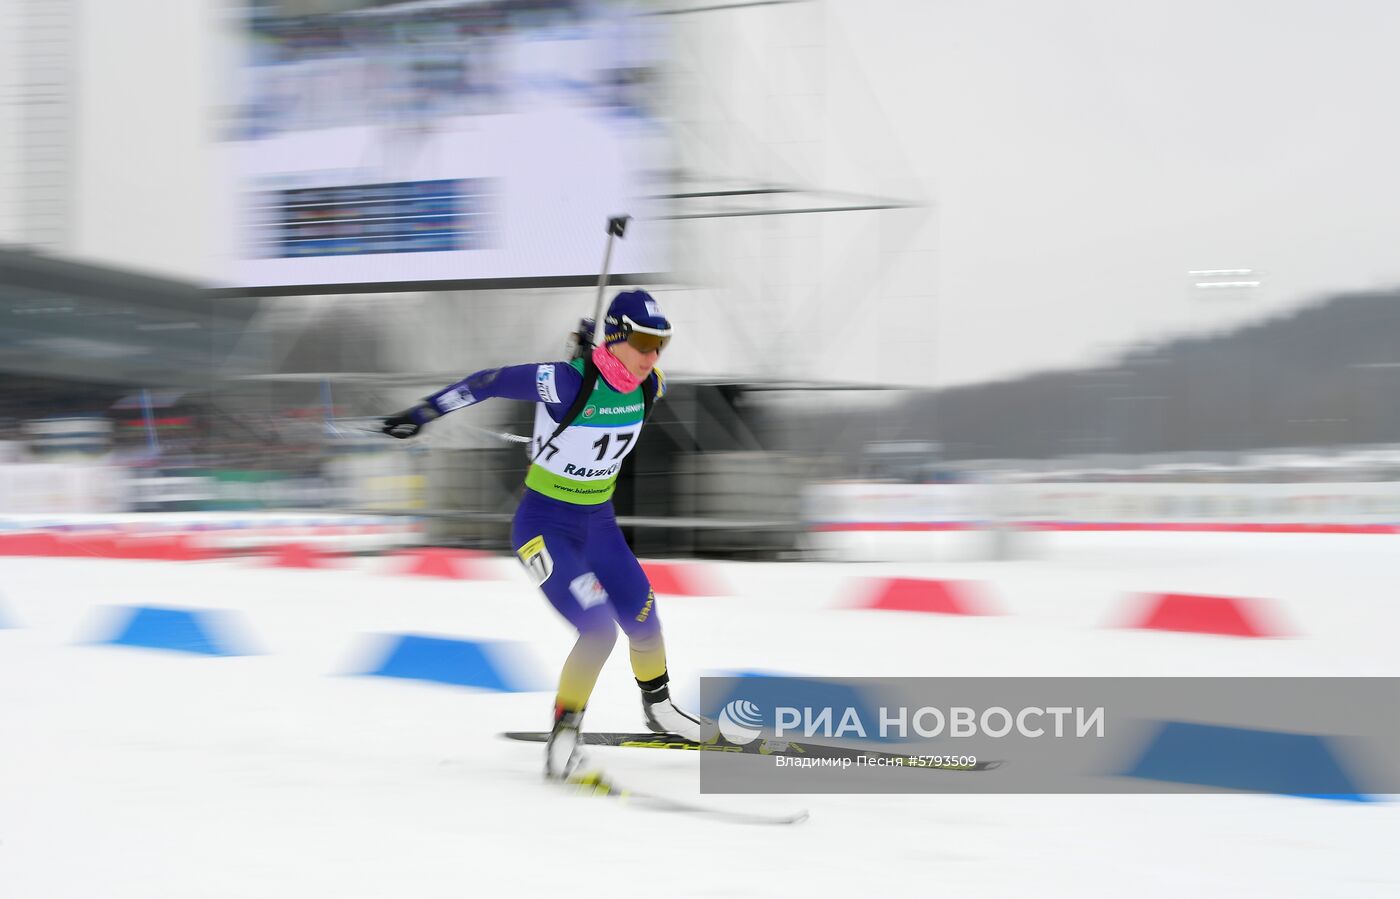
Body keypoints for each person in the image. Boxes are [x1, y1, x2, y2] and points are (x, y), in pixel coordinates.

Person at [379, 290, 706, 779]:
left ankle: (659, 711)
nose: (652, 355)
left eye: (661, 343)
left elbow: (615, 383)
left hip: (600, 525)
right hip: (544, 527)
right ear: (616, 337)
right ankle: (564, 738)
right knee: (597, 629)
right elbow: (486, 382)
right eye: (641, 341)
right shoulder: (562, 381)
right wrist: (423, 413)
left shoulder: (650, 385)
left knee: (644, 615)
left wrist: (594, 356)